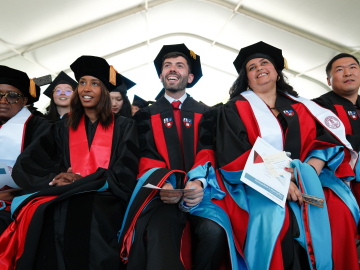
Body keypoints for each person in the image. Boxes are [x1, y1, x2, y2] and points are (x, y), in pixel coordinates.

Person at [215, 41, 357, 270]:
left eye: (264, 63)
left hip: (310, 179)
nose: (259, 68)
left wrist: (310, 169)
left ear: (276, 71)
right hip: (258, 182)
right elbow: (234, 154)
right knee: (273, 216)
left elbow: (328, 138)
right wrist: (281, 181)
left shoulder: (303, 106)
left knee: (338, 209)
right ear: (247, 78)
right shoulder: (235, 109)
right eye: (252, 67)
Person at [0, 56, 139, 270]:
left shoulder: (124, 126)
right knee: (46, 214)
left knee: (89, 215)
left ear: (104, 91)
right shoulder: (63, 126)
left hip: (106, 195)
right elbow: (29, 163)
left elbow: (125, 171)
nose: (86, 89)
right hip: (65, 193)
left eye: (94, 83)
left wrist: (86, 181)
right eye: (82, 82)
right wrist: (56, 178)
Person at [119, 44, 227, 270]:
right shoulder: (145, 115)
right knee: (159, 233)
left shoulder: (206, 113)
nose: (172, 70)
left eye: (180, 66)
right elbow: (146, 153)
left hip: (199, 193)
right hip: (161, 193)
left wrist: (197, 182)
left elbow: (207, 149)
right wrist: (164, 184)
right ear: (160, 76)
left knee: (214, 231)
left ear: (190, 76)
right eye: (167, 66)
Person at [312, 53, 360, 270]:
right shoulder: (319, 107)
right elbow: (325, 143)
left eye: (353, 67)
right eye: (339, 69)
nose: (348, 73)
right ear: (329, 80)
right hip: (334, 178)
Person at [0, 65, 51, 235]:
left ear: (25, 100)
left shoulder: (41, 129)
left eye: (12, 96)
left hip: (18, 207)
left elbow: (43, 169)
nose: (4, 100)